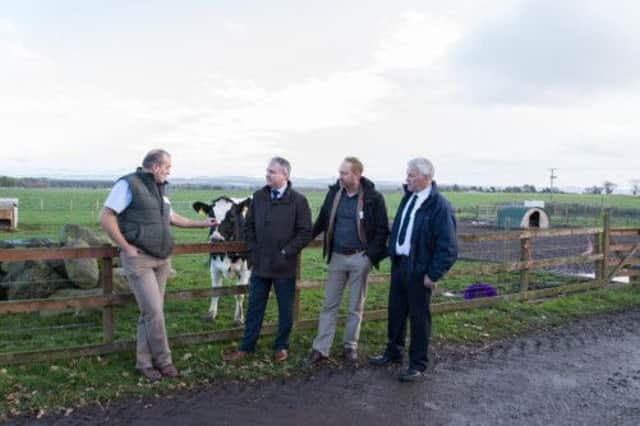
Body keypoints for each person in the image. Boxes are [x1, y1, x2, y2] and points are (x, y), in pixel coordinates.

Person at [99, 149, 217, 382]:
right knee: (154, 311)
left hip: (161, 259)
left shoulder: (159, 190)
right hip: (139, 259)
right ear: (155, 167)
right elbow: (105, 216)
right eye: (167, 168)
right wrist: (126, 246)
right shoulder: (128, 185)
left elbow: (174, 218)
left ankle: (143, 363)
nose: (169, 172)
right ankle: (164, 360)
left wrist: (203, 224)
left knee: (150, 313)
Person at [368, 157, 457, 382]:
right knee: (395, 312)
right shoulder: (409, 198)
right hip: (400, 265)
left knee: (419, 318)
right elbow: (399, 229)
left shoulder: (438, 206)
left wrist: (433, 274)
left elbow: (448, 246)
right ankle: (393, 352)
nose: (406, 178)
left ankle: (417, 364)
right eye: (407, 174)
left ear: (426, 177)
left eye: (411, 175)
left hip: (420, 270)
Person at [223, 156, 312, 362]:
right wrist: (253, 251)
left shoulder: (298, 201)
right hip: (261, 263)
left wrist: (285, 253)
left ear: (285, 175)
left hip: (284, 265)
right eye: (267, 171)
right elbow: (248, 227)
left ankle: (281, 346)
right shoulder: (259, 197)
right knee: (254, 306)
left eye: (272, 172)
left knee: (285, 309)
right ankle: (246, 347)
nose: (267, 174)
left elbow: (305, 232)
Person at [304, 157, 389, 366]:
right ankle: (321, 349)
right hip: (337, 257)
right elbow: (322, 220)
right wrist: (302, 240)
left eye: (344, 173)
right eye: (340, 172)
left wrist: (369, 256)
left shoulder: (373, 198)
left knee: (355, 306)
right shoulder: (334, 194)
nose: (339, 176)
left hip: (360, 257)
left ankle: (350, 346)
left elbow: (382, 230)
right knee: (329, 304)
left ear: (357, 174)